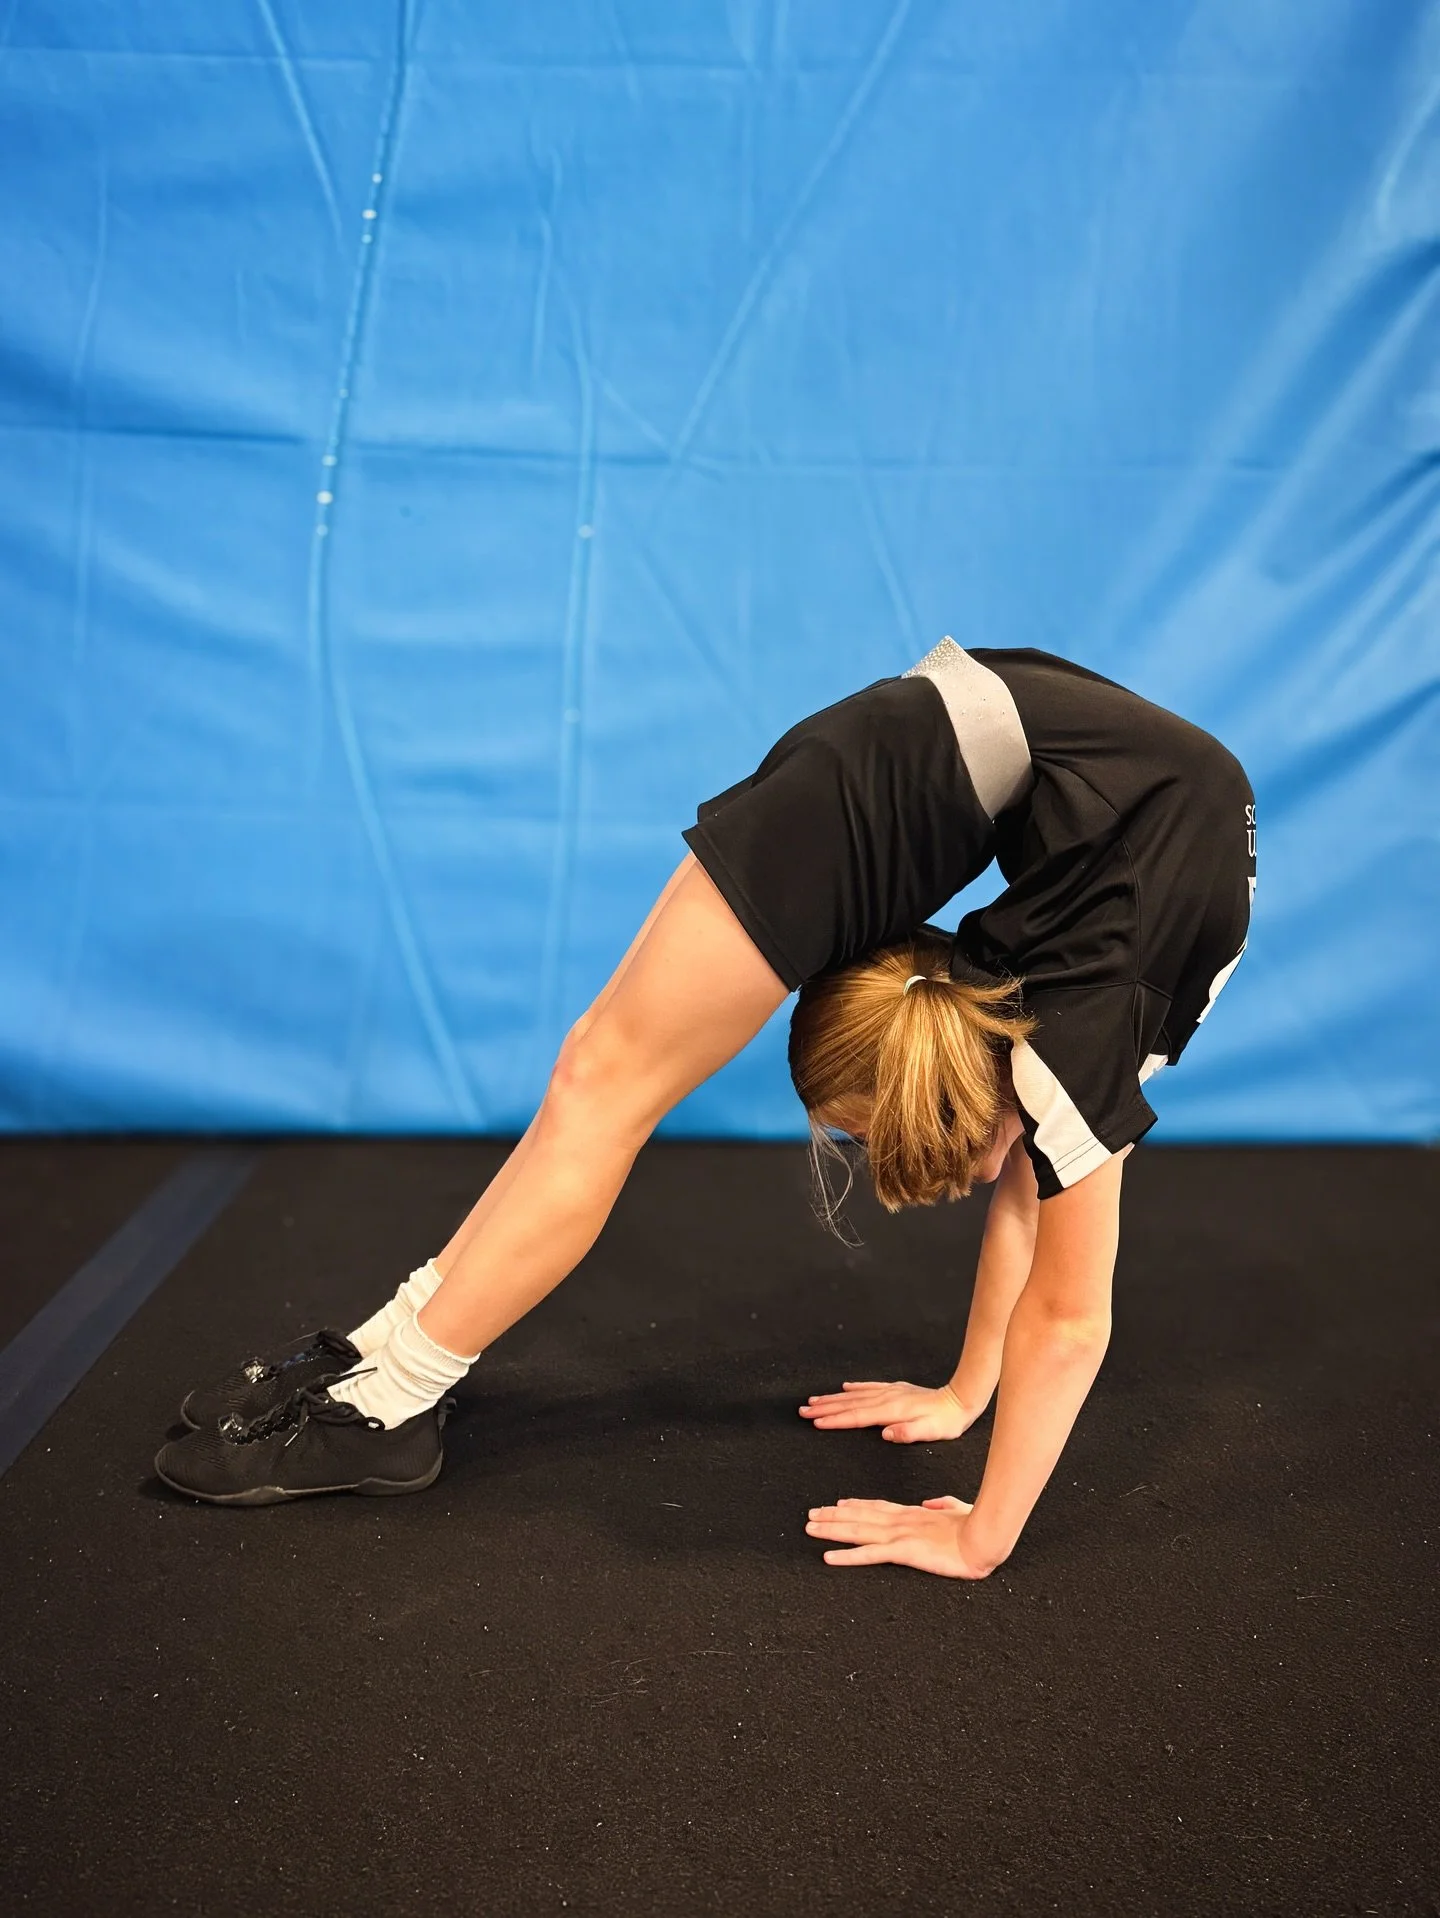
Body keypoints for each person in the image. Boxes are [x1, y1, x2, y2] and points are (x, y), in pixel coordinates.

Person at [156, 639, 1254, 1580]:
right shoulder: (1074, 1046)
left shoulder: (1068, 1033)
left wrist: (968, 1395)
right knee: (603, 1081)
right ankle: (390, 1394)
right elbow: (1070, 1321)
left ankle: (393, 1361)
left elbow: (1033, 1198)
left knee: (596, 1068)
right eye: (877, 1136)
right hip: (931, 772)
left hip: (972, 752)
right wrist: (981, 1540)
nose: (936, 1178)